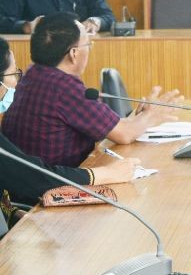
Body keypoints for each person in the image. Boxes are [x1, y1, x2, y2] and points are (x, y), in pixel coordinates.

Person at [1, 12, 181, 167]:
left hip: (24, 191)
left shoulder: (34, 73)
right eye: (88, 44)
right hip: (55, 194)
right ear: (74, 54)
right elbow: (124, 134)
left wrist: (140, 117)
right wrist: (152, 116)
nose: (89, 50)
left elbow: (113, 127)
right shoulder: (64, 88)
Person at [0, 38, 140, 228]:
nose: (17, 83)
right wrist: (105, 174)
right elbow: (33, 175)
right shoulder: (59, 85)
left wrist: (16, 216)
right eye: (14, 74)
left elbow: (11, 175)